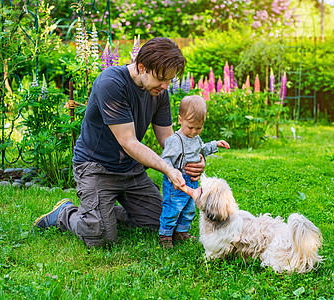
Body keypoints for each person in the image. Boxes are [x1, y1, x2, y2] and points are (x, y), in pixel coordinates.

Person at [33, 37, 205, 249]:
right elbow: (128, 142)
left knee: (158, 222)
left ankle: (100, 212)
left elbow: (169, 141)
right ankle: (65, 213)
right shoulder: (112, 83)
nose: (165, 86)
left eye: (169, 80)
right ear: (142, 67)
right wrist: (168, 169)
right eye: (161, 79)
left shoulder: (159, 93)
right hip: (96, 168)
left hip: (130, 170)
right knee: (101, 238)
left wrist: (192, 158)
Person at [159, 95, 230, 248]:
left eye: (198, 128)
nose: (194, 131)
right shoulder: (174, 140)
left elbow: (202, 150)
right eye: (190, 127)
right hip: (176, 182)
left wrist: (215, 144)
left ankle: (181, 232)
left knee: (189, 208)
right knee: (173, 207)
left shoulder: (196, 138)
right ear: (180, 120)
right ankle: (165, 235)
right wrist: (172, 174)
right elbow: (165, 160)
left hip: (192, 179)